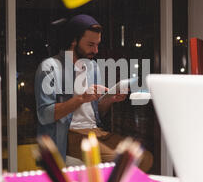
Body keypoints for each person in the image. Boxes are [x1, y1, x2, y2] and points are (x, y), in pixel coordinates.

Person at [35, 14, 153, 172]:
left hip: (95, 131)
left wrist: (110, 99)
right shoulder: (50, 67)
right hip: (70, 134)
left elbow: (97, 113)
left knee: (145, 157)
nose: (95, 50)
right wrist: (81, 98)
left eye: (97, 45)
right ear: (73, 41)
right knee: (122, 163)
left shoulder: (92, 67)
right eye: (90, 45)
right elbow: (44, 115)